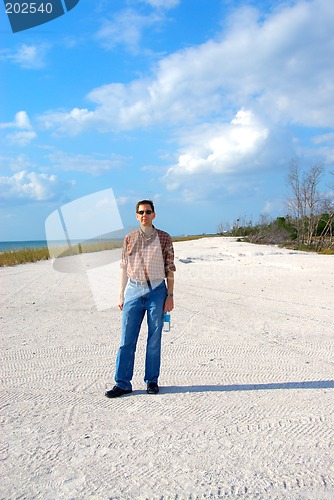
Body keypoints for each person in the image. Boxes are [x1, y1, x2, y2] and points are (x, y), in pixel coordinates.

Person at [105, 200, 176, 398]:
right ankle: (122, 383)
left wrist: (170, 296)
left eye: (148, 211)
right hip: (133, 291)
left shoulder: (164, 238)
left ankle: (151, 381)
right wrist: (121, 293)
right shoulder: (129, 238)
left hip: (156, 291)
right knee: (126, 340)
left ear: (154, 214)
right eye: (140, 212)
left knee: (154, 338)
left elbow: (170, 268)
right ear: (136, 216)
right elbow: (124, 267)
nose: (144, 214)